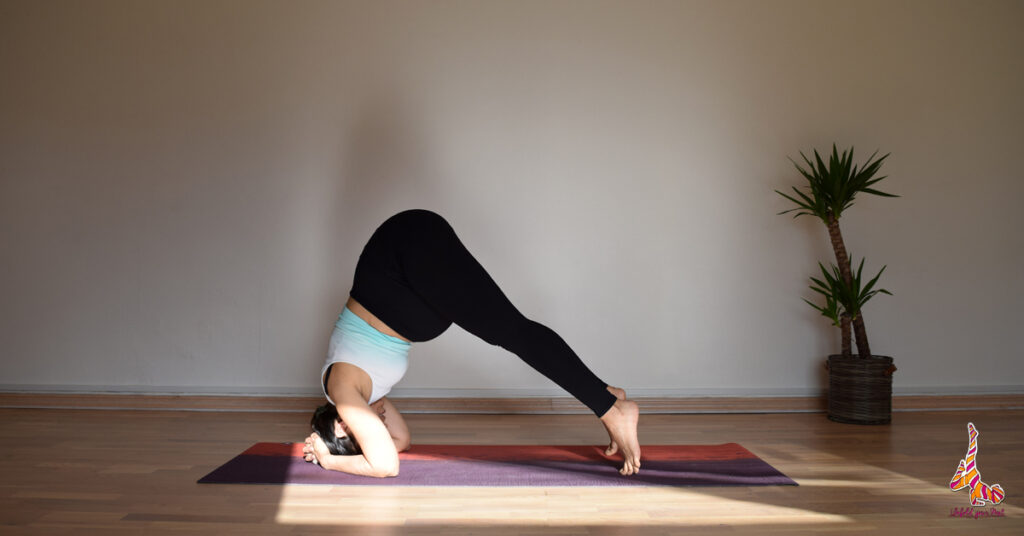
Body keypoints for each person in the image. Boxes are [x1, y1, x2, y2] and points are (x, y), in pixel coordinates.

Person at [302, 209, 641, 476]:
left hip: (401, 254)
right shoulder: (366, 395)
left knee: (514, 332)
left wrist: (329, 460)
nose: (366, 425)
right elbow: (399, 442)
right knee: (511, 331)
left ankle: (611, 409)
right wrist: (339, 452)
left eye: (352, 430)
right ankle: (605, 394)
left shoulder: (344, 392)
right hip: (408, 276)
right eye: (361, 435)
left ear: (340, 421)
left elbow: (385, 465)